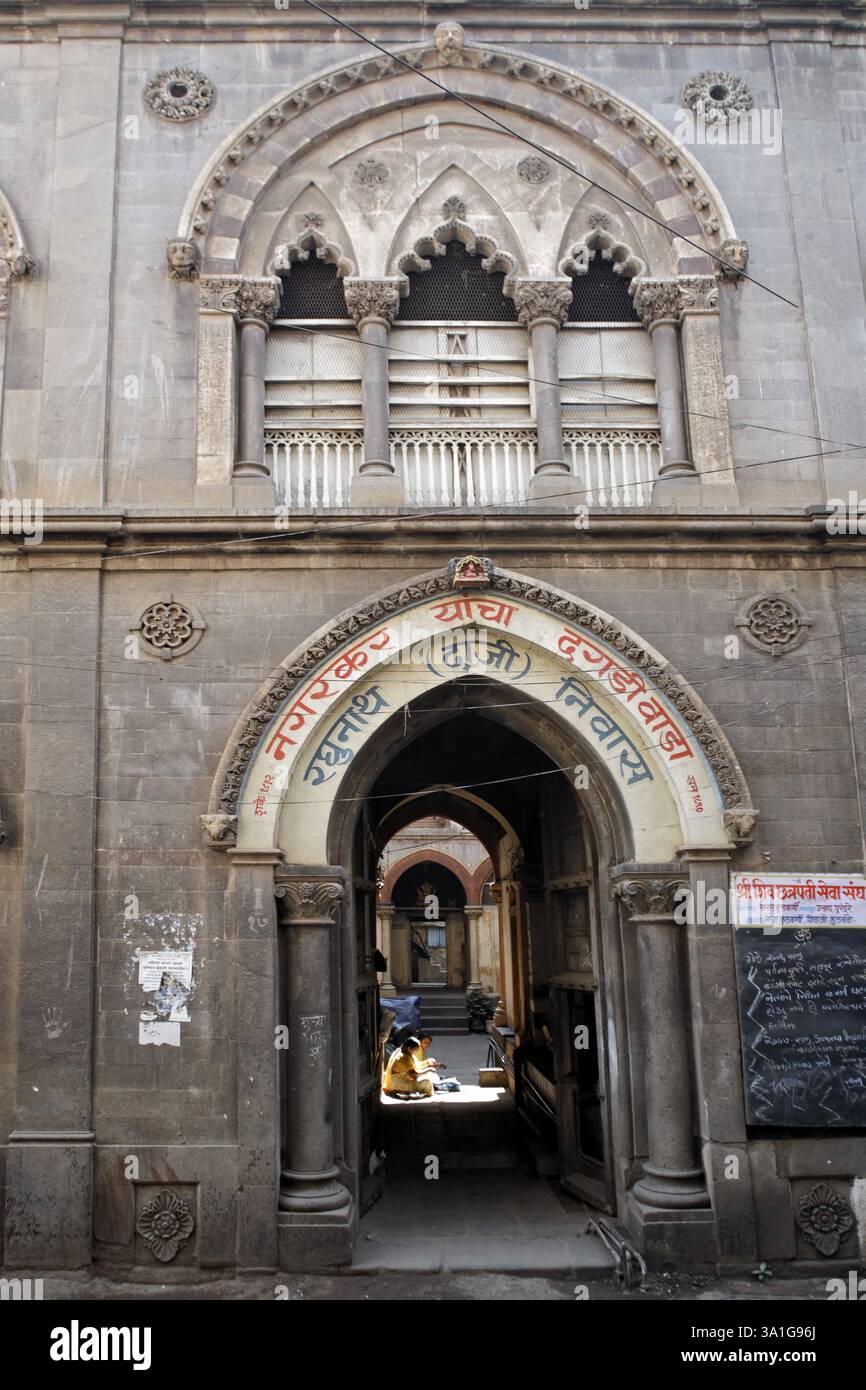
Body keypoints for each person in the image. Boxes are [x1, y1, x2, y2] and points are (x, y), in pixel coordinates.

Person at [383, 1032, 445, 1098]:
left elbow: (417, 1066)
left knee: (429, 1076)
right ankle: (430, 1099)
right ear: (409, 1049)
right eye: (415, 1050)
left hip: (401, 1079)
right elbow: (414, 1075)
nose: (416, 1052)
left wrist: (428, 1063)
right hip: (397, 1083)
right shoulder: (402, 1057)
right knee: (427, 1083)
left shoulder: (404, 1051)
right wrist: (428, 1070)